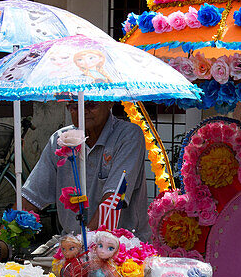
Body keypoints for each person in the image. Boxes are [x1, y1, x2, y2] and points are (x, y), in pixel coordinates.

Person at [21, 100, 150, 239]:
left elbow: (113, 200)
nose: (82, 110)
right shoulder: (60, 140)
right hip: (71, 243)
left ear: (109, 103)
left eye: (91, 104)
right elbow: (31, 197)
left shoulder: (128, 135)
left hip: (122, 244)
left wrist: (84, 242)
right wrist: (2, 242)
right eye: (74, 106)